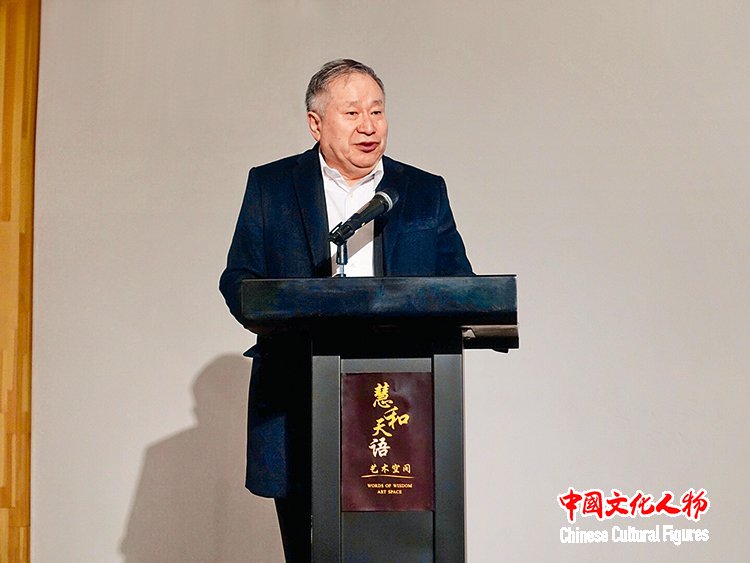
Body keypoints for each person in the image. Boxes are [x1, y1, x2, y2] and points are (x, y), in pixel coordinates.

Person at [220, 59, 473, 562]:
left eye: (377, 111)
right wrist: (288, 307)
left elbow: (460, 286)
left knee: (401, 550)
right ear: (316, 123)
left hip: (403, 403)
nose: (368, 126)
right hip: (300, 395)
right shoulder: (272, 186)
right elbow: (239, 279)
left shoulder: (422, 191)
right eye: (352, 112)